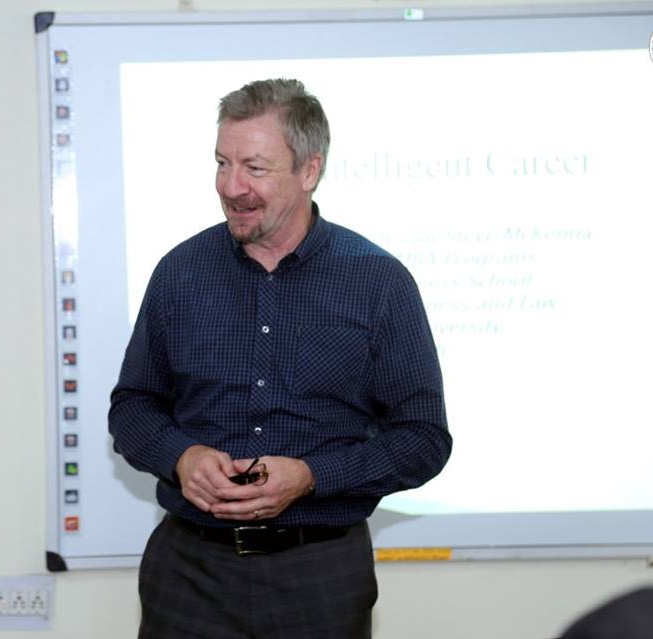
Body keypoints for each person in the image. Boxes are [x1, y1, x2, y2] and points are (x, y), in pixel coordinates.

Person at [109, 78, 451, 639]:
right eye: (222, 163)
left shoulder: (378, 283)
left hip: (319, 574)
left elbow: (422, 439)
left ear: (309, 171)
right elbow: (133, 407)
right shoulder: (180, 272)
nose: (231, 186)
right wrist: (181, 455)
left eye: (255, 168)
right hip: (189, 573)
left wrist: (313, 476)